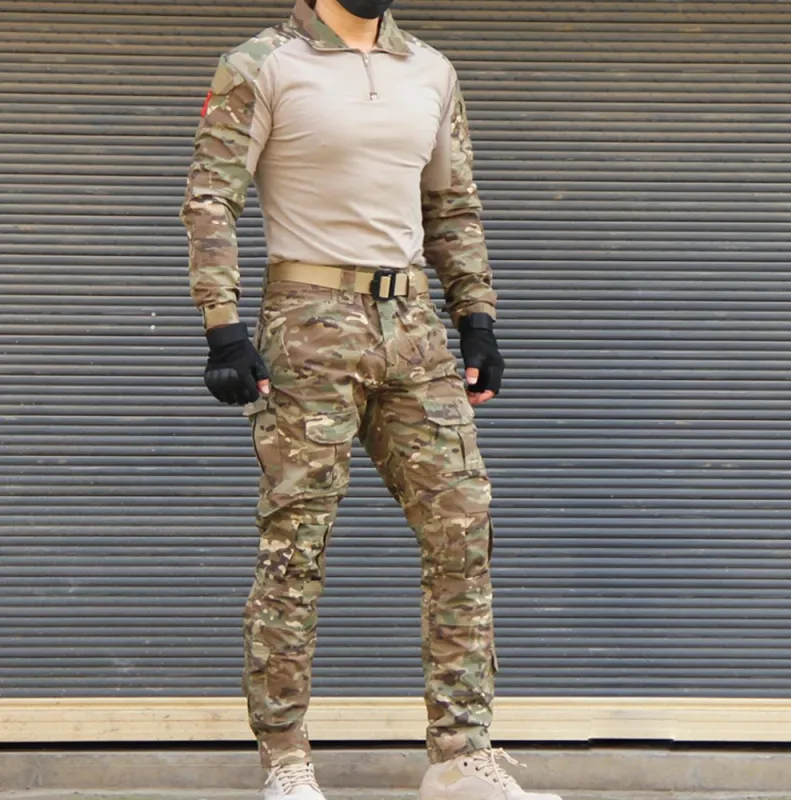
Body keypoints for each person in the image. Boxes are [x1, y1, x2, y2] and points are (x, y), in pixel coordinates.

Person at [180, 1, 562, 798]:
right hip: (307, 322)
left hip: (414, 327)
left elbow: (451, 205)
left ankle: (460, 756)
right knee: (297, 542)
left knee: (464, 526)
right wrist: (223, 327)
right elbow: (211, 198)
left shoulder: (431, 70)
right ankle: (286, 759)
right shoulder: (262, 63)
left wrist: (477, 320)